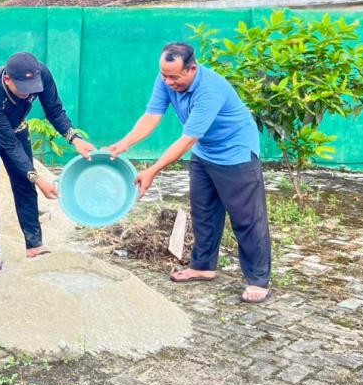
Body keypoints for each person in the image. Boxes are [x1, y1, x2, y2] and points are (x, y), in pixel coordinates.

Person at [108, 42, 272, 303]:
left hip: (235, 153)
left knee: (246, 218)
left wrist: (152, 170)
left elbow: (186, 140)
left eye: (174, 77)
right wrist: (125, 143)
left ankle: (258, 279)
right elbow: (152, 115)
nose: (168, 82)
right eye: (164, 75)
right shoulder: (165, 79)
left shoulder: (210, 90)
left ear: (192, 69)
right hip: (206, 152)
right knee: (204, 211)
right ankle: (203, 266)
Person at [0, 52, 95, 273]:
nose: (28, 93)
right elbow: (10, 145)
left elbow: (54, 110)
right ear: (7, 79)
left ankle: (34, 244)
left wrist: (75, 138)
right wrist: (39, 178)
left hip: (15, 126)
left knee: (24, 184)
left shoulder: (41, 73)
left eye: (32, 86)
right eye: (23, 88)